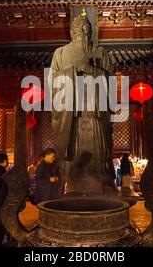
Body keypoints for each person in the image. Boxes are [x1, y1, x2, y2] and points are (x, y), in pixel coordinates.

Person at [49, 13, 116, 194]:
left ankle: (100, 186)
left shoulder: (100, 52)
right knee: (72, 149)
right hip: (72, 116)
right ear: (71, 32)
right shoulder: (61, 53)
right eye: (78, 29)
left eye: (86, 29)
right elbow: (52, 81)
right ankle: (71, 186)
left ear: (91, 32)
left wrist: (91, 70)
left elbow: (110, 80)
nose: (82, 33)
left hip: (94, 112)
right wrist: (72, 70)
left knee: (98, 149)